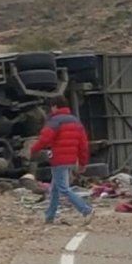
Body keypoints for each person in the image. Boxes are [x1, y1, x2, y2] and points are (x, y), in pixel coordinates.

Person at [31, 95, 94, 225]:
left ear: (55, 106)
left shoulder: (54, 121)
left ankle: (86, 210)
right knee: (54, 188)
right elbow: (83, 145)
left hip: (59, 158)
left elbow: (44, 139)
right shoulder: (76, 121)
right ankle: (50, 216)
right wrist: (82, 162)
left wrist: (33, 149)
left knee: (63, 188)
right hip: (71, 159)